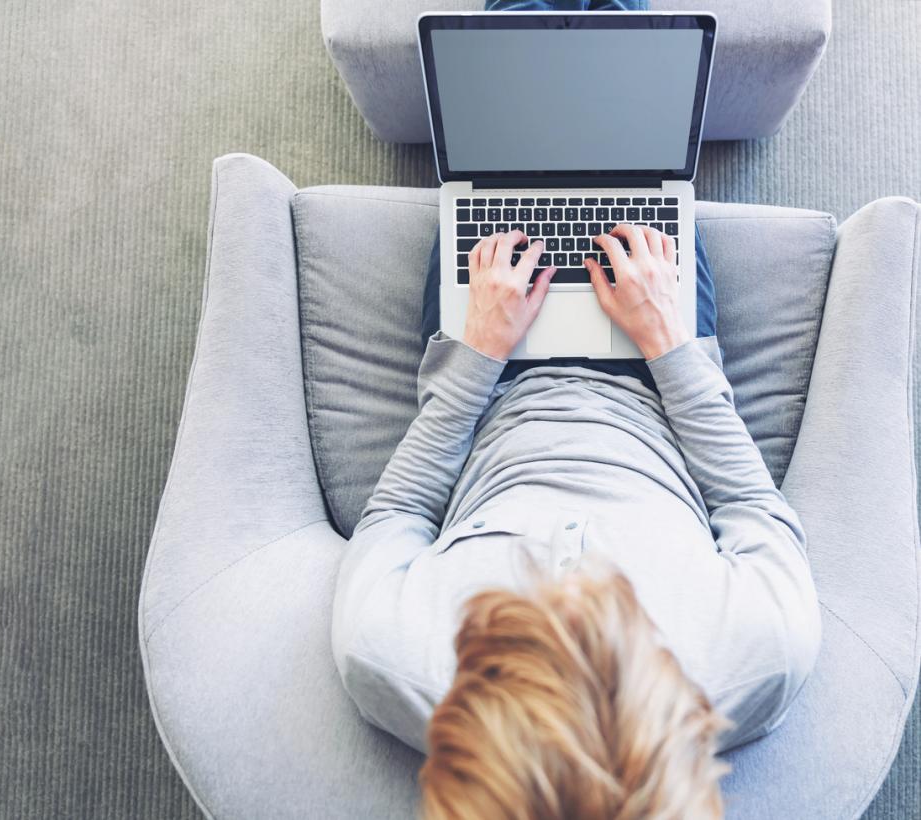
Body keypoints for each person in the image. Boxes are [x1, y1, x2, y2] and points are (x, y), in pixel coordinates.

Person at [331, 4, 821, 813]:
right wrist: (667, 342)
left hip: (492, 378)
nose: (567, 586)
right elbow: (747, 503)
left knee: (519, 56)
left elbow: (402, 508)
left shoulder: (389, 657)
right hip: (656, 377)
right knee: (630, 116)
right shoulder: (764, 652)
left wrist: (482, 346)